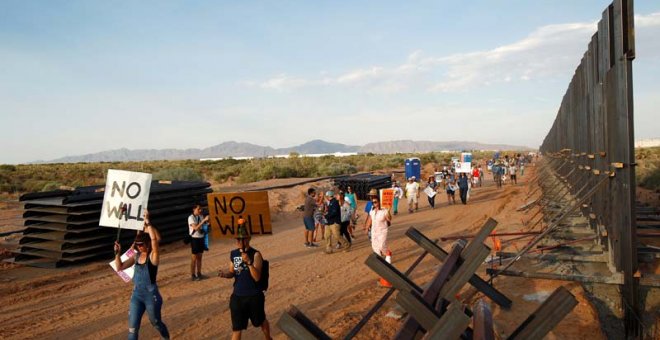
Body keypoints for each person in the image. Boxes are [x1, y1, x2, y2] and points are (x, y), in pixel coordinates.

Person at [113, 209, 170, 340]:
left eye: (141, 245)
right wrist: (117, 253)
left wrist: (148, 222)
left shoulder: (153, 257)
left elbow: (154, 239)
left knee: (156, 323)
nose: (138, 247)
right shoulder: (136, 256)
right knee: (132, 330)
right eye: (137, 245)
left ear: (148, 245)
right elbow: (119, 267)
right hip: (137, 295)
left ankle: (166, 338)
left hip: (151, 296)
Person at [218, 226, 272, 340]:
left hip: (254, 296)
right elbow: (233, 272)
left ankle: (268, 338)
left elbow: (257, 277)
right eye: (237, 239)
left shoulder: (256, 254)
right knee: (237, 328)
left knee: (261, 321)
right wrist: (225, 274)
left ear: (248, 239)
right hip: (237, 297)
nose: (238, 242)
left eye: (241, 239)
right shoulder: (234, 254)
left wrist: (249, 262)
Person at [363, 197, 392, 263]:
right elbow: (370, 220)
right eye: (372, 202)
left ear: (379, 202)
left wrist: (388, 211)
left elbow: (389, 219)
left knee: (382, 245)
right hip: (374, 231)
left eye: (375, 202)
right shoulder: (372, 211)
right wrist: (367, 228)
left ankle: (388, 254)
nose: (374, 204)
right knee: (374, 246)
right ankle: (380, 260)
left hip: (382, 231)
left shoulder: (384, 211)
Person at [189, 204, 209, 281]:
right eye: (198, 209)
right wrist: (203, 220)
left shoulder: (200, 216)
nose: (200, 210)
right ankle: (193, 275)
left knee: (200, 257)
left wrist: (206, 223)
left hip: (201, 238)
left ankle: (199, 273)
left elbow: (203, 226)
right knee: (194, 258)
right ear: (194, 209)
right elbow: (196, 228)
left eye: (200, 209)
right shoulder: (191, 218)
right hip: (195, 239)